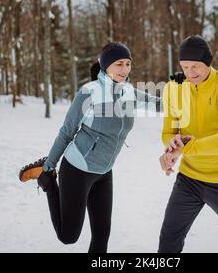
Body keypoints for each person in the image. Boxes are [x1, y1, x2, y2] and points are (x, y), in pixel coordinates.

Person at [20, 42, 160, 253]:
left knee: (102, 236)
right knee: (68, 236)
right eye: (119, 64)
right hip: (77, 169)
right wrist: (50, 165)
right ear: (106, 67)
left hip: (104, 172)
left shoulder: (129, 92)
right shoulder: (89, 92)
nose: (125, 69)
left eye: (128, 64)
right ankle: (46, 180)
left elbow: (158, 102)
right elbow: (67, 132)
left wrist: (186, 93)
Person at [158, 35, 218, 253]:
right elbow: (168, 132)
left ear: (208, 62)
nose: (190, 73)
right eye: (185, 67)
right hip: (189, 179)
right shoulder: (173, 87)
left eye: (195, 67)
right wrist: (171, 147)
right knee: (168, 240)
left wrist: (185, 147)